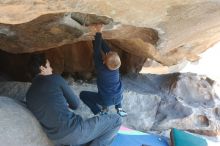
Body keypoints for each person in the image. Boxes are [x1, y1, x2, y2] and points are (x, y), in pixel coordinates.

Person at [26, 53, 122, 146]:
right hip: (74, 131)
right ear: (42, 68)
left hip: (55, 139)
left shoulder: (29, 94)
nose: (51, 69)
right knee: (116, 120)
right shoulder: (54, 79)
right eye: (49, 66)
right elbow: (75, 104)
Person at [80, 24, 128, 117]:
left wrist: (98, 32)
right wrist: (97, 35)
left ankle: (99, 111)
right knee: (113, 91)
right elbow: (106, 51)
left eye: (105, 56)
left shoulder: (101, 68)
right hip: (119, 98)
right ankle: (119, 108)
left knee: (83, 95)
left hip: (106, 99)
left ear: (104, 61)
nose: (107, 53)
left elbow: (97, 51)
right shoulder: (116, 66)